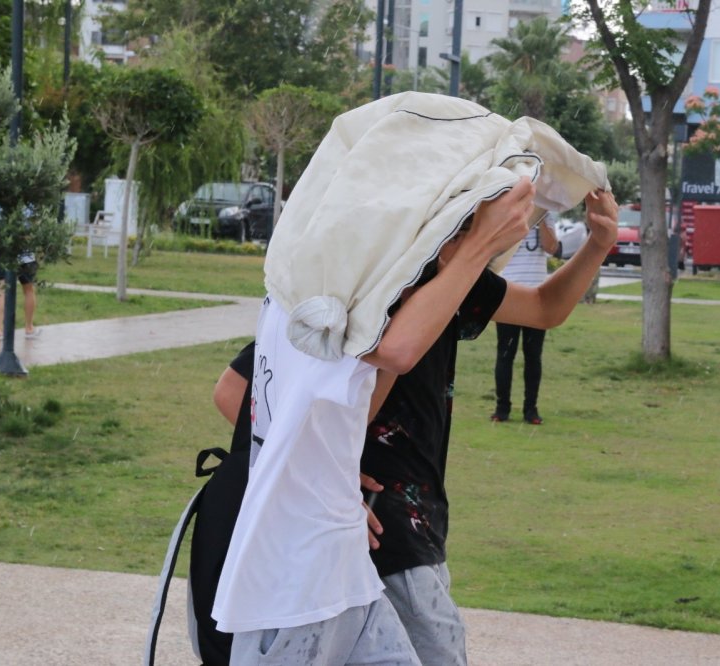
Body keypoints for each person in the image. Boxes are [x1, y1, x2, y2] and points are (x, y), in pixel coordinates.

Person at [211, 187, 618, 666]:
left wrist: (597, 243)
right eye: (462, 225)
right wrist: (320, 476)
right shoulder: (365, 288)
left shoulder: (449, 278)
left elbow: (545, 309)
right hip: (379, 523)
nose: (469, 238)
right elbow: (235, 390)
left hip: (411, 518)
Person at [490, 219, 559, 425]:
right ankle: (502, 408)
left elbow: (551, 248)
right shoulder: (512, 212)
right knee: (505, 354)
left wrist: (542, 219)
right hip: (508, 293)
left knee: (533, 355)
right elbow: (497, 249)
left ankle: (531, 409)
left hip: (536, 295)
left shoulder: (547, 212)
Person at [0, 251, 39, 340]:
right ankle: (29, 328)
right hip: (26, 256)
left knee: (1, 289)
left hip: (3, 255)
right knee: (29, 290)